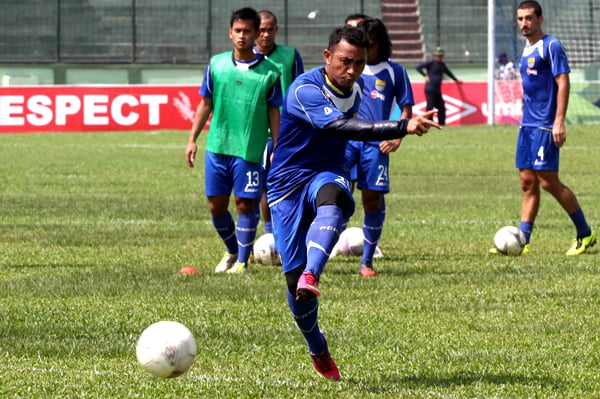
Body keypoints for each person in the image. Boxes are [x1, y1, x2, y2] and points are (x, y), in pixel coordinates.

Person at [267, 25, 440, 381]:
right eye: (345, 61)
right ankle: (316, 345)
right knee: (294, 290)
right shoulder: (304, 89)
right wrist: (401, 126)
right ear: (327, 57)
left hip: (325, 172)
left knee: (333, 201)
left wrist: (345, 172)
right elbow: (343, 128)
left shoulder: (356, 88)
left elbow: (344, 136)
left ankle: (313, 273)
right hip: (286, 185)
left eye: (359, 64)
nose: (352, 71)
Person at [185, 7, 283, 274]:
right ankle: (233, 249)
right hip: (218, 146)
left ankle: (242, 261)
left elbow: (274, 110)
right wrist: (192, 139)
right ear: (230, 33)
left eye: (247, 31)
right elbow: (205, 103)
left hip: (249, 149)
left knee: (244, 204)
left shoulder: (270, 72)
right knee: (216, 206)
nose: (242, 36)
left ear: (256, 34)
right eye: (237, 31)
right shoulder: (216, 65)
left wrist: (278, 145)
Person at [494, 0, 595, 255]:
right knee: (527, 182)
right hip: (527, 125)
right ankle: (522, 240)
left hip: (545, 125)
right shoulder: (526, 49)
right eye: (520, 19)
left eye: (528, 18)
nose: (524, 23)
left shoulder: (551, 46)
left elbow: (563, 82)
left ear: (540, 19)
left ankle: (585, 233)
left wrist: (558, 120)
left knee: (548, 181)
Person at [343, 17, 415, 277]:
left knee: (372, 199)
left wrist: (397, 137)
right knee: (338, 196)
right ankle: (321, 252)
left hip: (376, 145)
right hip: (347, 141)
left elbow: (406, 108)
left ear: (380, 44)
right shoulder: (349, 68)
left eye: (372, 44)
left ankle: (366, 261)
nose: (367, 49)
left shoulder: (395, 71)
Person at [254, 10, 304, 238]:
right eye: (261, 29)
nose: (265, 34)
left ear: (277, 30)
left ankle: (289, 234)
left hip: (286, 132)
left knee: (287, 185)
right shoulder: (246, 58)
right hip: (255, 132)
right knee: (261, 187)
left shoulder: (291, 56)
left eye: (270, 29)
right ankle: (269, 236)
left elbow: (301, 91)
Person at [416, 47, 462, 126]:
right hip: (430, 89)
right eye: (438, 56)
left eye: (441, 56)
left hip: (437, 90)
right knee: (430, 107)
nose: (439, 57)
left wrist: (456, 80)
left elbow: (448, 73)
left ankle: (442, 123)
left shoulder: (442, 65)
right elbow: (418, 67)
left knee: (441, 107)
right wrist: (425, 75)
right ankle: (429, 123)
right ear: (435, 56)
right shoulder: (431, 63)